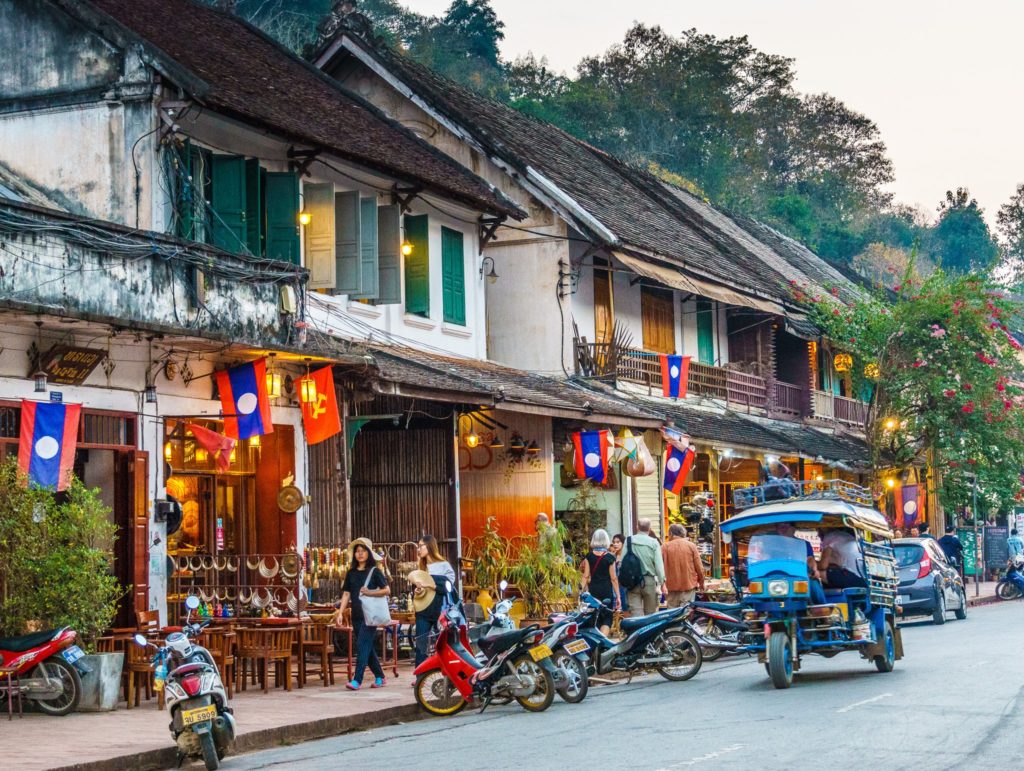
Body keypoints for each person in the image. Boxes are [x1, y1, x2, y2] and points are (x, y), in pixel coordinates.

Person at [336, 538, 390, 691]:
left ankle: (357, 680)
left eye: (363, 551)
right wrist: (340, 613)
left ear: (369, 553)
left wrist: (370, 592)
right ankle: (380, 676)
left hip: (370, 616)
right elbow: (346, 594)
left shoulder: (375, 571)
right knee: (367, 646)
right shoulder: (351, 573)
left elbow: (387, 590)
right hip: (357, 615)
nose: (360, 554)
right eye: (357, 552)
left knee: (361, 645)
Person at [411, 535, 456, 671]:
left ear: (430, 546)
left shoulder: (444, 565)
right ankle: (420, 674)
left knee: (441, 644)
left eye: (421, 546)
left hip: (440, 610)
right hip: (423, 609)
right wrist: (418, 590)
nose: (418, 549)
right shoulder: (421, 567)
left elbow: (448, 587)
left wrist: (430, 584)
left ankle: (444, 672)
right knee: (421, 643)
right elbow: (416, 591)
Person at [580, 529, 620, 634]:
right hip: (606, 590)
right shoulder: (610, 557)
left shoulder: (589, 556)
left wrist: (580, 591)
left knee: (595, 617)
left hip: (593, 591)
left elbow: (586, 575)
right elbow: (614, 578)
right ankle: (602, 644)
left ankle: (596, 644)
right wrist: (618, 596)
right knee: (607, 618)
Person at [775, 522, 826, 604]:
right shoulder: (774, 546)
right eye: (780, 527)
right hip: (778, 576)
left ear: (793, 529)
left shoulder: (804, 543)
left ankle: (822, 609)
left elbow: (810, 559)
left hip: (800, 575)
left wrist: (813, 570)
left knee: (812, 584)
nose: (783, 529)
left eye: (786, 526)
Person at [626, 519, 666, 616]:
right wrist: (662, 583)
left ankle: (638, 630)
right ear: (649, 529)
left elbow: (622, 562)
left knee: (636, 613)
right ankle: (649, 630)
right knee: (650, 613)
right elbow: (659, 565)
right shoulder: (654, 542)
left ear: (637, 527)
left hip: (632, 581)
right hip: (649, 580)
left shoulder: (629, 541)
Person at [662, 523, 705, 607]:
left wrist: (661, 584)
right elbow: (699, 567)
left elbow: (659, 567)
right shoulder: (691, 546)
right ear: (683, 534)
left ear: (671, 534)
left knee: (673, 615)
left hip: (671, 588)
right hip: (688, 587)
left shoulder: (664, 547)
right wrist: (701, 582)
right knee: (686, 614)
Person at [610, 533, 629, 610]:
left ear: (623, 543)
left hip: (624, 586)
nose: (615, 544)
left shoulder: (626, 556)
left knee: (625, 608)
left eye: (618, 542)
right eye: (614, 542)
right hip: (614, 587)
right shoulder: (612, 556)